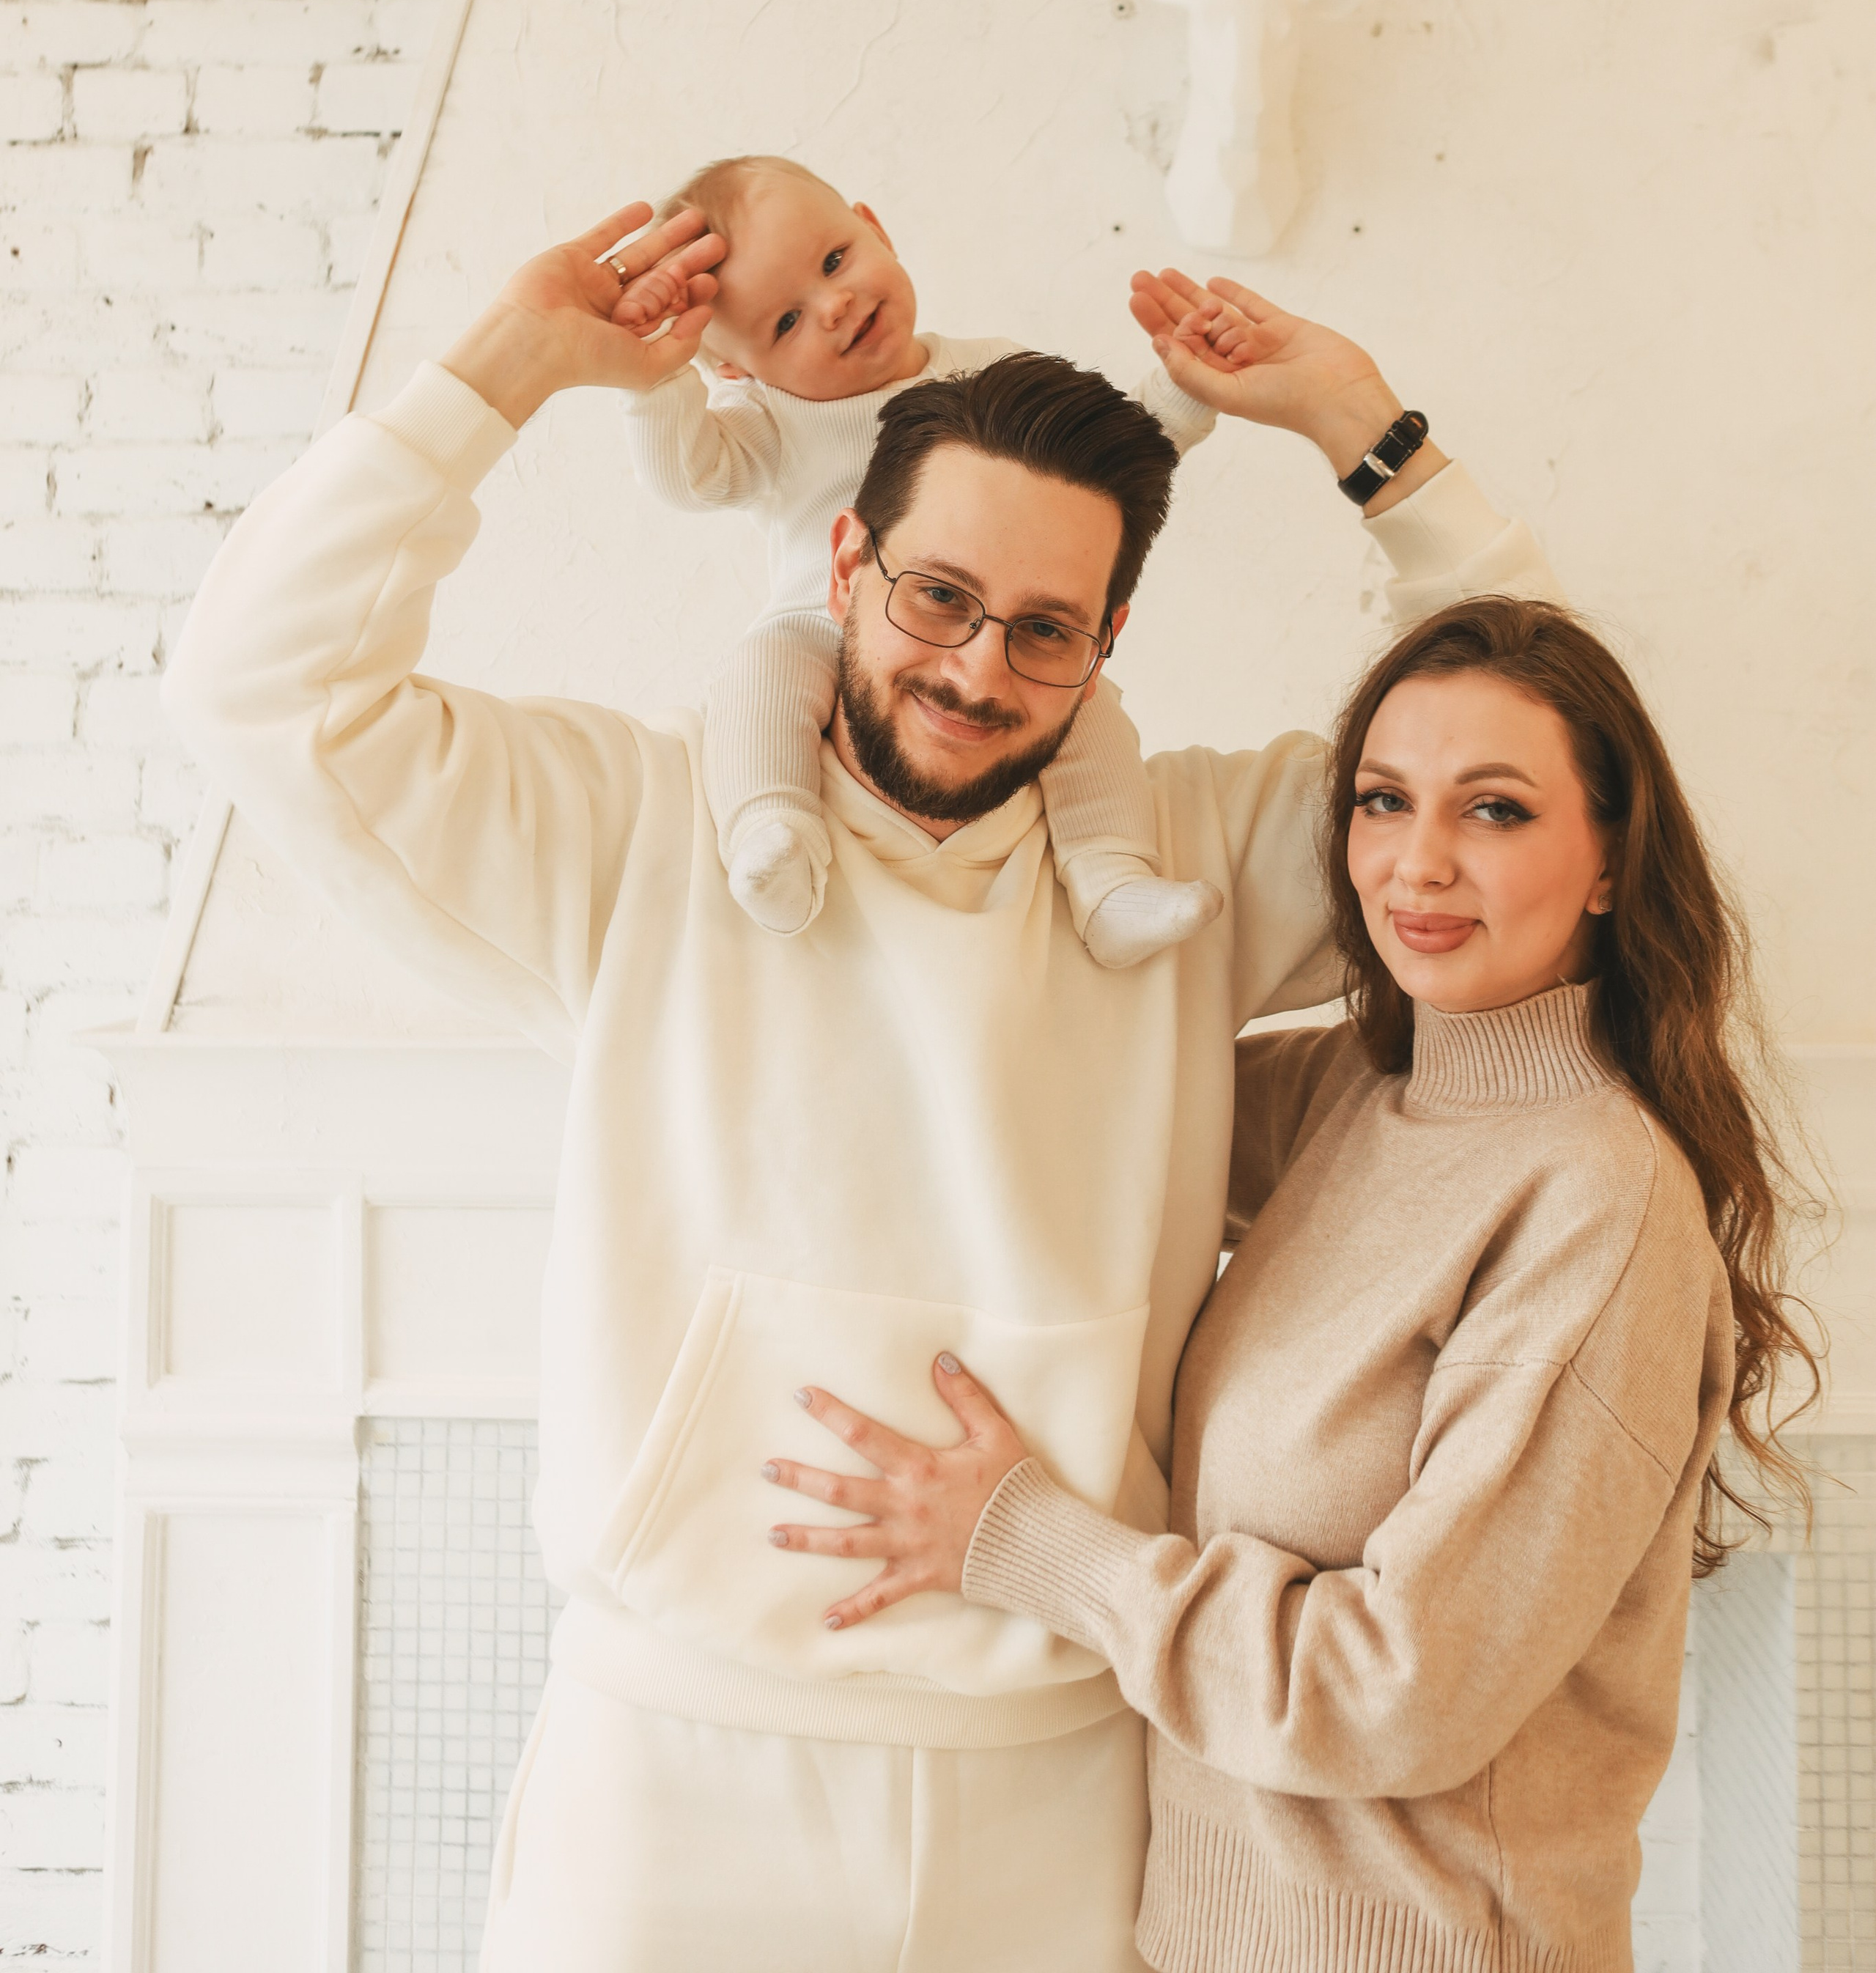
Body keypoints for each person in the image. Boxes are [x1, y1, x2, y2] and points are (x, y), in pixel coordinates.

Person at [161, 191, 1562, 1973]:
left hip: (1054, 1785)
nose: (977, 668)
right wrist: (511, 362)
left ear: (1106, 643)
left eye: (1045, 630)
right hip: (671, 1776)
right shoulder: (632, 834)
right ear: (841, 566)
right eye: (936, 597)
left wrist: (1364, 424)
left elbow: (1529, 743)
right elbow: (253, 682)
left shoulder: (1190, 867)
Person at [765, 598, 1818, 1973]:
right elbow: (1061, 1093)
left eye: (1494, 812)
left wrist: (1021, 1541)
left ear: (1611, 861)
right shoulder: (1349, 1096)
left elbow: (1396, 1694)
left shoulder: (1599, 1203)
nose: (1418, 864)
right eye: (1385, 801)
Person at [618, 151, 1222, 965]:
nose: (834, 306)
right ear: (734, 367)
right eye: (784, 323)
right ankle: (771, 832)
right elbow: (688, 478)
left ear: (875, 228)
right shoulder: (767, 420)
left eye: (835, 260)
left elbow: (1104, 468)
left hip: (996, 619)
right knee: (759, 672)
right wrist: (654, 382)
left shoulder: (990, 369)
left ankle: (1112, 882)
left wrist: (1185, 387)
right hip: (817, 623)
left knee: (1085, 696)